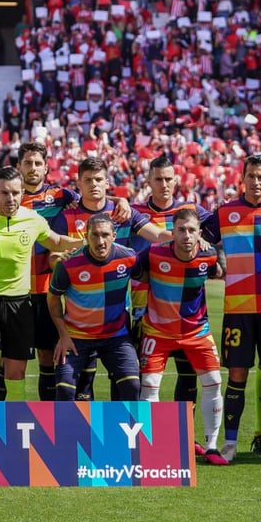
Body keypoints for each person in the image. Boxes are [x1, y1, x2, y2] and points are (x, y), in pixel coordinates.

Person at [0, 166, 84, 401]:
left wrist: (84, 243)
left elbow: (56, 241)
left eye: (15, 193)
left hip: (20, 305)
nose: (10, 198)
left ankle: (13, 430)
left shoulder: (33, 219)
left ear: (22, 192)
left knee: (16, 374)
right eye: (5, 192)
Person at [202, 153, 261, 463]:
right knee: (237, 374)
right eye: (251, 175)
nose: (256, 181)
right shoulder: (224, 212)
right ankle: (230, 444)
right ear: (242, 177)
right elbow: (200, 242)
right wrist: (212, 265)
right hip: (238, 308)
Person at [50, 156, 166, 399]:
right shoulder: (67, 215)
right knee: (82, 388)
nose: (94, 184)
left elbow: (157, 236)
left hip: (116, 320)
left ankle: (120, 436)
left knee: (124, 384)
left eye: (99, 179)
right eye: (88, 180)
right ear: (79, 184)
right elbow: (53, 258)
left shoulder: (123, 213)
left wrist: (189, 236)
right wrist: (64, 258)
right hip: (79, 318)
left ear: (107, 182)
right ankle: (79, 434)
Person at [134, 208, 227, 465]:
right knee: (150, 386)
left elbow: (216, 272)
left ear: (200, 233)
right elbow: (136, 273)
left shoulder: (208, 255)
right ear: (172, 232)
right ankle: (151, 447)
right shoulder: (153, 253)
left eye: (191, 230)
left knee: (213, 382)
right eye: (181, 230)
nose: (186, 235)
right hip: (158, 331)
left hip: (196, 332)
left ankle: (211, 446)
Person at [129, 155, 210, 403]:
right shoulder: (133, 213)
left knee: (187, 377)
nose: (164, 184)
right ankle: (144, 437)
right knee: (146, 380)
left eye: (168, 179)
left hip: (186, 312)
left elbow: (226, 223)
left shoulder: (193, 213)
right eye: (158, 179)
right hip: (146, 312)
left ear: (176, 180)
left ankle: (185, 437)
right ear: (148, 181)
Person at [48, 212, 142, 402]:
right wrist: (64, 336)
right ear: (86, 237)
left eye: (105, 235)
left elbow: (147, 277)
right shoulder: (68, 264)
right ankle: (70, 431)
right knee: (65, 390)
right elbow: (53, 300)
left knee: (132, 385)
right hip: (77, 338)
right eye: (95, 235)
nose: (100, 241)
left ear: (114, 236)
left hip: (116, 338)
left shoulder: (129, 258)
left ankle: (123, 431)